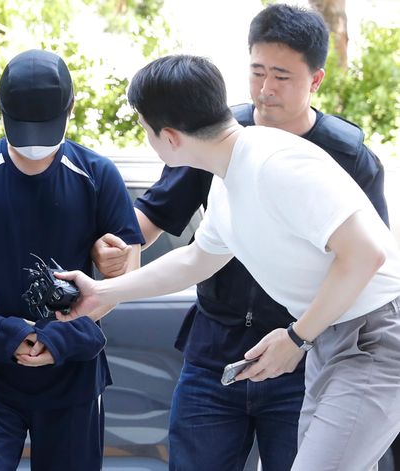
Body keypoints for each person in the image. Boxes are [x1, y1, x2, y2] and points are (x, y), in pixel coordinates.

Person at [59, 53, 400, 471]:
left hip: (374, 335)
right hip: (331, 338)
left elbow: (366, 253)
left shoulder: (275, 163)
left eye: (146, 130)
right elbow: (196, 261)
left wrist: (296, 338)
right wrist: (101, 292)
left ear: (170, 137)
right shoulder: (229, 177)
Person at [0, 49, 144, 470]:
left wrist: (64, 333)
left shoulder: (98, 173)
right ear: (2, 114)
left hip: (72, 372)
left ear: (70, 109)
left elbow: (128, 273)